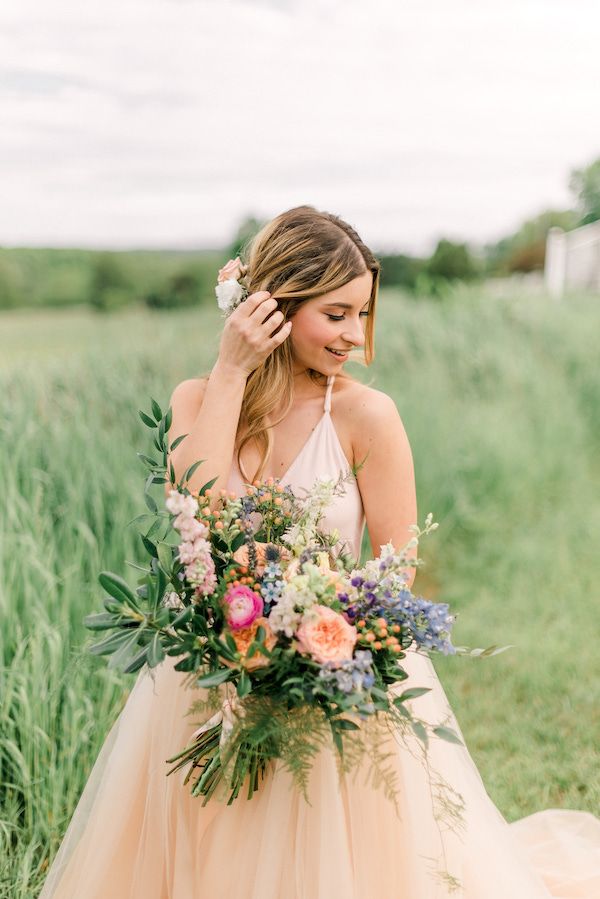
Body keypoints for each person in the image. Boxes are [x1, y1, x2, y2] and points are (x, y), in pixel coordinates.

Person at [39, 206, 600, 898]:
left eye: (363, 315)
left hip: (335, 681)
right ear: (272, 303)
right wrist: (231, 369)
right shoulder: (198, 399)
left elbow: (399, 571)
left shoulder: (369, 416)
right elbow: (201, 523)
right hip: (211, 680)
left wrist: (313, 636)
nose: (354, 336)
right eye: (335, 314)